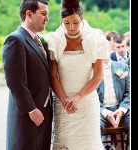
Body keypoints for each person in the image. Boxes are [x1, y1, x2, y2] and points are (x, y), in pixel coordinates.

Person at [45, 0, 109, 149]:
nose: (71, 27)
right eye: (66, 23)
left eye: (75, 22)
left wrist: (78, 96)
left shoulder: (95, 40)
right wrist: (65, 101)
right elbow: (53, 75)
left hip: (86, 102)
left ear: (81, 19)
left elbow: (99, 75)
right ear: (61, 20)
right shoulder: (54, 40)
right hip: (63, 102)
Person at [2, 0, 53, 150]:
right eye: (43, 14)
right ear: (29, 14)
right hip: (27, 117)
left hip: (44, 115)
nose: (47, 18)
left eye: (47, 14)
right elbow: (15, 81)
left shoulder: (40, 42)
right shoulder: (15, 39)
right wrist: (31, 109)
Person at [97, 58, 130, 149]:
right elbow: (91, 97)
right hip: (100, 112)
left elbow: (129, 92)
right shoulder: (91, 69)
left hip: (122, 109)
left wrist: (122, 110)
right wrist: (105, 112)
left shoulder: (123, 67)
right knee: (95, 126)